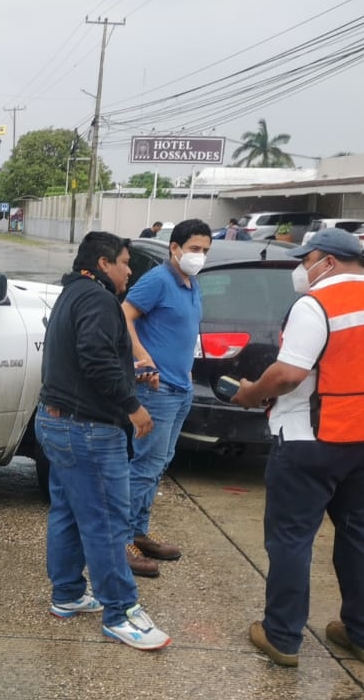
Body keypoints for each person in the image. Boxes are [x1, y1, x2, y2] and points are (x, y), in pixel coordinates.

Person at [231, 228, 364, 668]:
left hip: (310, 441)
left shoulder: (316, 305)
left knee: (292, 540)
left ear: (327, 260)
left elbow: (288, 375)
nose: (302, 269)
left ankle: (282, 637)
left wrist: (250, 394)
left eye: (306, 259)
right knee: (361, 534)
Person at [36, 231, 171, 652]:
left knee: (69, 512)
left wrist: (130, 370)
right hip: (87, 431)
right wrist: (133, 405)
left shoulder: (73, 291)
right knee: (109, 521)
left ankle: (68, 594)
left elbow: (85, 357)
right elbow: (94, 358)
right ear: (103, 262)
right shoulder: (98, 299)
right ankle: (121, 612)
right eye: (125, 262)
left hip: (58, 423)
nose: (130, 270)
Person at [121, 219, 212, 578]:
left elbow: (184, 331)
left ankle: (139, 532)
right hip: (155, 391)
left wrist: (186, 370)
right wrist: (143, 357)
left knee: (158, 465)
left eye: (205, 250)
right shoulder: (157, 280)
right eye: (193, 249)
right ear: (174, 247)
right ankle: (121, 542)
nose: (199, 256)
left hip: (180, 388)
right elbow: (123, 315)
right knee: (144, 467)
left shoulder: (192, 284)